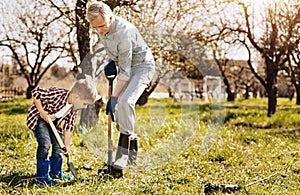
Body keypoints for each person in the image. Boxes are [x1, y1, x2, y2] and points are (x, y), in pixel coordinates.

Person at [86, 1, 155, 178]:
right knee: (119, 110)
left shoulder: (124, 32)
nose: (99, 31)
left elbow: (125, 72)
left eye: (101, 26)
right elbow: (119, 60)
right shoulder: (103, 28)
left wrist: (114, 97)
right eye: (95, 28)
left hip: (142, 67)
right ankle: (131, 148)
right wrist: (112, 62)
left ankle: (121, 158)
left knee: (125, 102)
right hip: (126, 66)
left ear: (110, 17)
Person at [27, 77, 97, 185]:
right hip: (39, 118)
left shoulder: (74, 108)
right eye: (85, 104)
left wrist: (66, 145)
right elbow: (36, 93)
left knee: (58, 144)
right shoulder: (56, 95)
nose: (84, 107)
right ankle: (41, 177)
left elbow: (69, 126)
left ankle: (56, 172)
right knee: (45, 143)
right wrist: (41, 111)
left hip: (53, 122)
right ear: (76, 97)